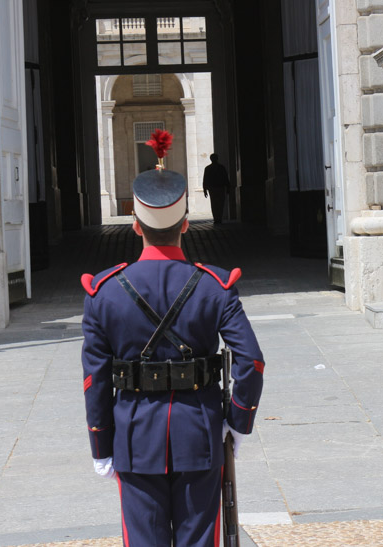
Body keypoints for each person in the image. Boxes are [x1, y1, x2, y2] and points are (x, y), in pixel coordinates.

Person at [81, 130, 263, 545]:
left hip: (133, 437)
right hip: (199, 432)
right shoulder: (215, 286)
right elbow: (251, 361)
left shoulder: (103, 292)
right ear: (185, 224)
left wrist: (101, 447)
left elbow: (94, 379)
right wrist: (238, 424)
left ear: (134, 225)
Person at [202, 153, 231, 224]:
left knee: (214, 203)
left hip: (212, 188)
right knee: (220, 203)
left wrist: (205, 190)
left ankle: (216, 218)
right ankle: (219, 217)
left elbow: (205, 180)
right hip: (220, 188)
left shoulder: (208, 168)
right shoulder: (221, 167)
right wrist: (228, 188)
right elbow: (226, 178)